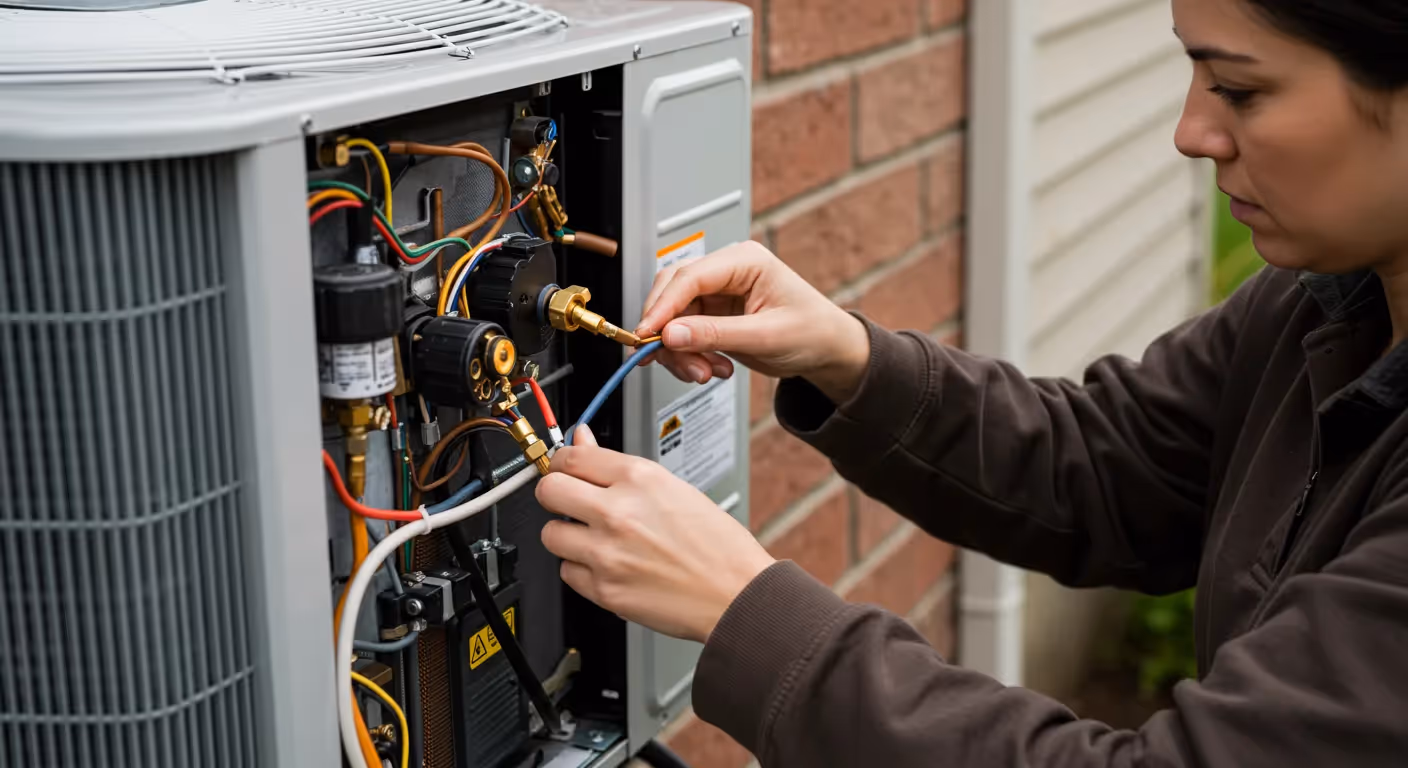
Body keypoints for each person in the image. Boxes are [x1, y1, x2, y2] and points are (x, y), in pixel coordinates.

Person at [536, 0, 1408, 764]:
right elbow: (1113, 465)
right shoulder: (1324, 300)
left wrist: (748, 614)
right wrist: (847, 357)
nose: (1191, 132)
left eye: (1240, 90)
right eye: (1195, 71)